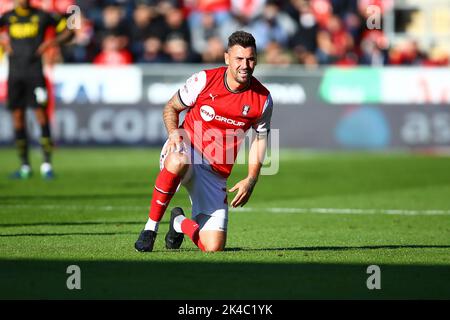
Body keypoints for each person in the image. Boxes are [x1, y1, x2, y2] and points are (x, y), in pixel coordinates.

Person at [134, 30, 273, 252]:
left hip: (215, 171)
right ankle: (150, 229)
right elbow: (171, 107)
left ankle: (178, 223)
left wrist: (251, 179)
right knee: (178, 159)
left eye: (250, 59)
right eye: (239, 59)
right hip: (187, 150)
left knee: (213, 247)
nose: (245, 65)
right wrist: (173, 133)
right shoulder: (205, 80)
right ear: (227, 58)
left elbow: (260, 138)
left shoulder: (262, 99)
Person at [0, 0, 74, 179]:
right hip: (15, 74)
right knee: (17, 118)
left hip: (35, 74)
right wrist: (3, 41)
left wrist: (52, 43)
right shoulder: (8, 17)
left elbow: (69, 31)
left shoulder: (42, 15)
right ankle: (24, 166)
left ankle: (46, 165)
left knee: (41, 115)